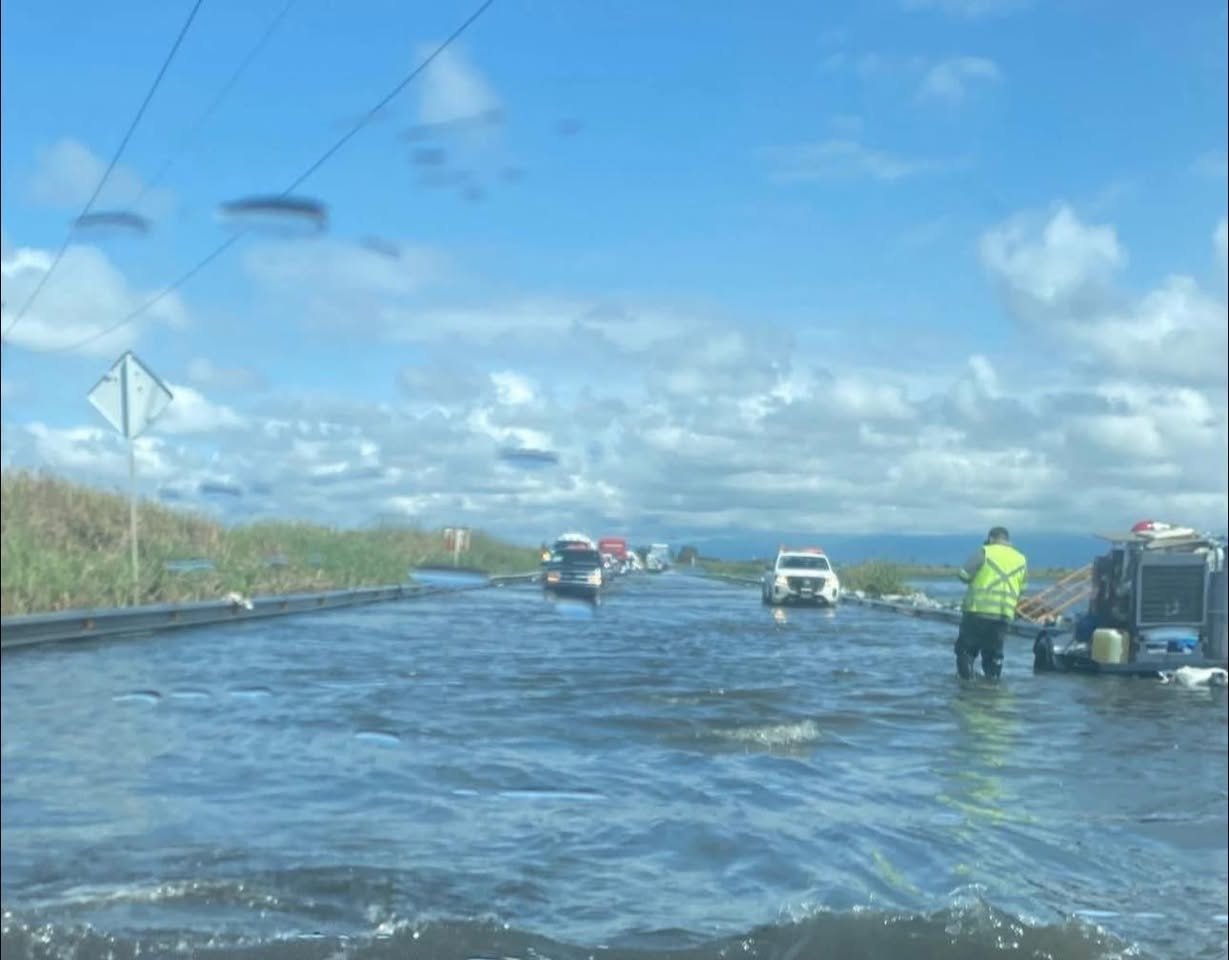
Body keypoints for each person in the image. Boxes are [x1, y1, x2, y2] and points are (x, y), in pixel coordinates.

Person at [955, 526, 1028, 680]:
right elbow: (1023, 588)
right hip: (1003, 615)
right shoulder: (1021, 559)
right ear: (1008, 540)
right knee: (994, 654)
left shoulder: (985, 551)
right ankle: (992, 687)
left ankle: (966, 686)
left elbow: (962, 574)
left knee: (966, 650)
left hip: (977, 611)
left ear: (990, 538)